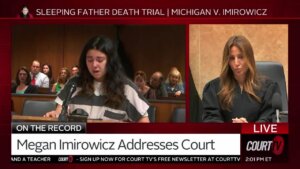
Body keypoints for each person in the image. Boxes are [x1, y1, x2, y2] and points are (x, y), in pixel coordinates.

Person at [45, 35, 150, 123]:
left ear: (110, 61)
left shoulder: (126, 88)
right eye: (89, 60)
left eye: (100, 60)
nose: (94, 65)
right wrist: (55, 114)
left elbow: (144, 124)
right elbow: (59, 112)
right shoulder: (74, 83)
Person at [202, 35, 281, 123]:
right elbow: (211, 120)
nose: (236, 63)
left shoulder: (268, 87)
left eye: (241, 57)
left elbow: (269, 119)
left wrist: (249, 129)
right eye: (232, 58)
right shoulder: (213, 88)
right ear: (227, 61)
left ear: (249, 58)